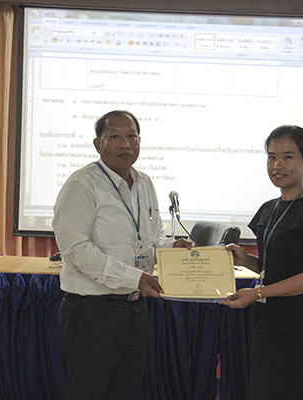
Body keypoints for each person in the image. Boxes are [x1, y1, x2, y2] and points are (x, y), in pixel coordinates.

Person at [52, 110, 192, 400]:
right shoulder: (82, 184)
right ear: (97, 144)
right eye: (114, 136)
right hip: (92, 311)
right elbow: (76, 250)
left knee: (126, 390)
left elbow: (153, 239)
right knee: (88, 392)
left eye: (132, 136)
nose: (125, 144)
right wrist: (134, 277)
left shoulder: (145, 183)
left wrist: (171, 249)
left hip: (135, 309)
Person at [220, 125, 303, 400]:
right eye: (271, 157)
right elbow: (276, 267)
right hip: (268, 324)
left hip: (302, 326)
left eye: (287, 157)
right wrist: (247, 260)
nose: (277, 165)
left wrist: (258, 293)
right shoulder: (269, 208)